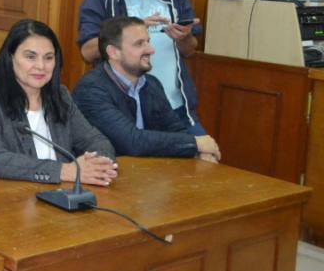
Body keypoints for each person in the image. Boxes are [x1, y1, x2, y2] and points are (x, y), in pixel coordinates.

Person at [77, 0, 203, 133]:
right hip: (125, 107)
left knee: (202, 149)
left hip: (175, 106)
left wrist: (183, 37)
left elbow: (190, 50)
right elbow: (87, 51)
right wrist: (133, 28)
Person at [0, 19, 118, 186]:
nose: (41, 66)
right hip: (7, 197)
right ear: (10, 57)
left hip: (60, 194)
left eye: (48, 58)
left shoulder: (60, 96)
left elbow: (97, 141)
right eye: (30, 57)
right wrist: (66, 171)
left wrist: (98, 165)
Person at [73, 17, 221, 162]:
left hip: (151, 171)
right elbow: (131, 142)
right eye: (139, 44)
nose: (151, 50)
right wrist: (195, 143)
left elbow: (176, 130)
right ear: (113, 52)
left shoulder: (152, 83)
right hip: (109, 172)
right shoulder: (90, 90)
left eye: (148, 41)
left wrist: (197, 152)